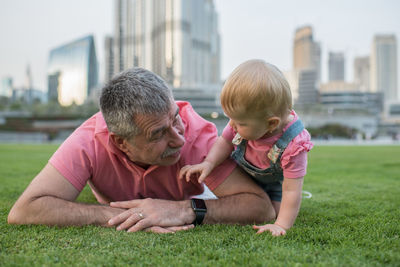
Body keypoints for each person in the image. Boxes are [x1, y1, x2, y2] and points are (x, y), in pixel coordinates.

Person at [8, 67, 276, 234]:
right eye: (158, 133)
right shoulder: (88, 142)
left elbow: (261, 208)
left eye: (175, 118)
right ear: (121, 142)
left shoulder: (199, 139)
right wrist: (125, 216)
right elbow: (26, 209)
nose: (178, 140)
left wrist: (185, 210)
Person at [179, 60, 313, 236]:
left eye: (240, 122)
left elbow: (291, 189)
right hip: (240, 174)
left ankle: (272, 203)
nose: (232, 125)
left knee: (277, 212)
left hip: (272, 184)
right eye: (230, 118)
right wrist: (209, 163)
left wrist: (281, 225)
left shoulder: (294, 145)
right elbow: (224, 142)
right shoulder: (243, 121)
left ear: (271, 123)